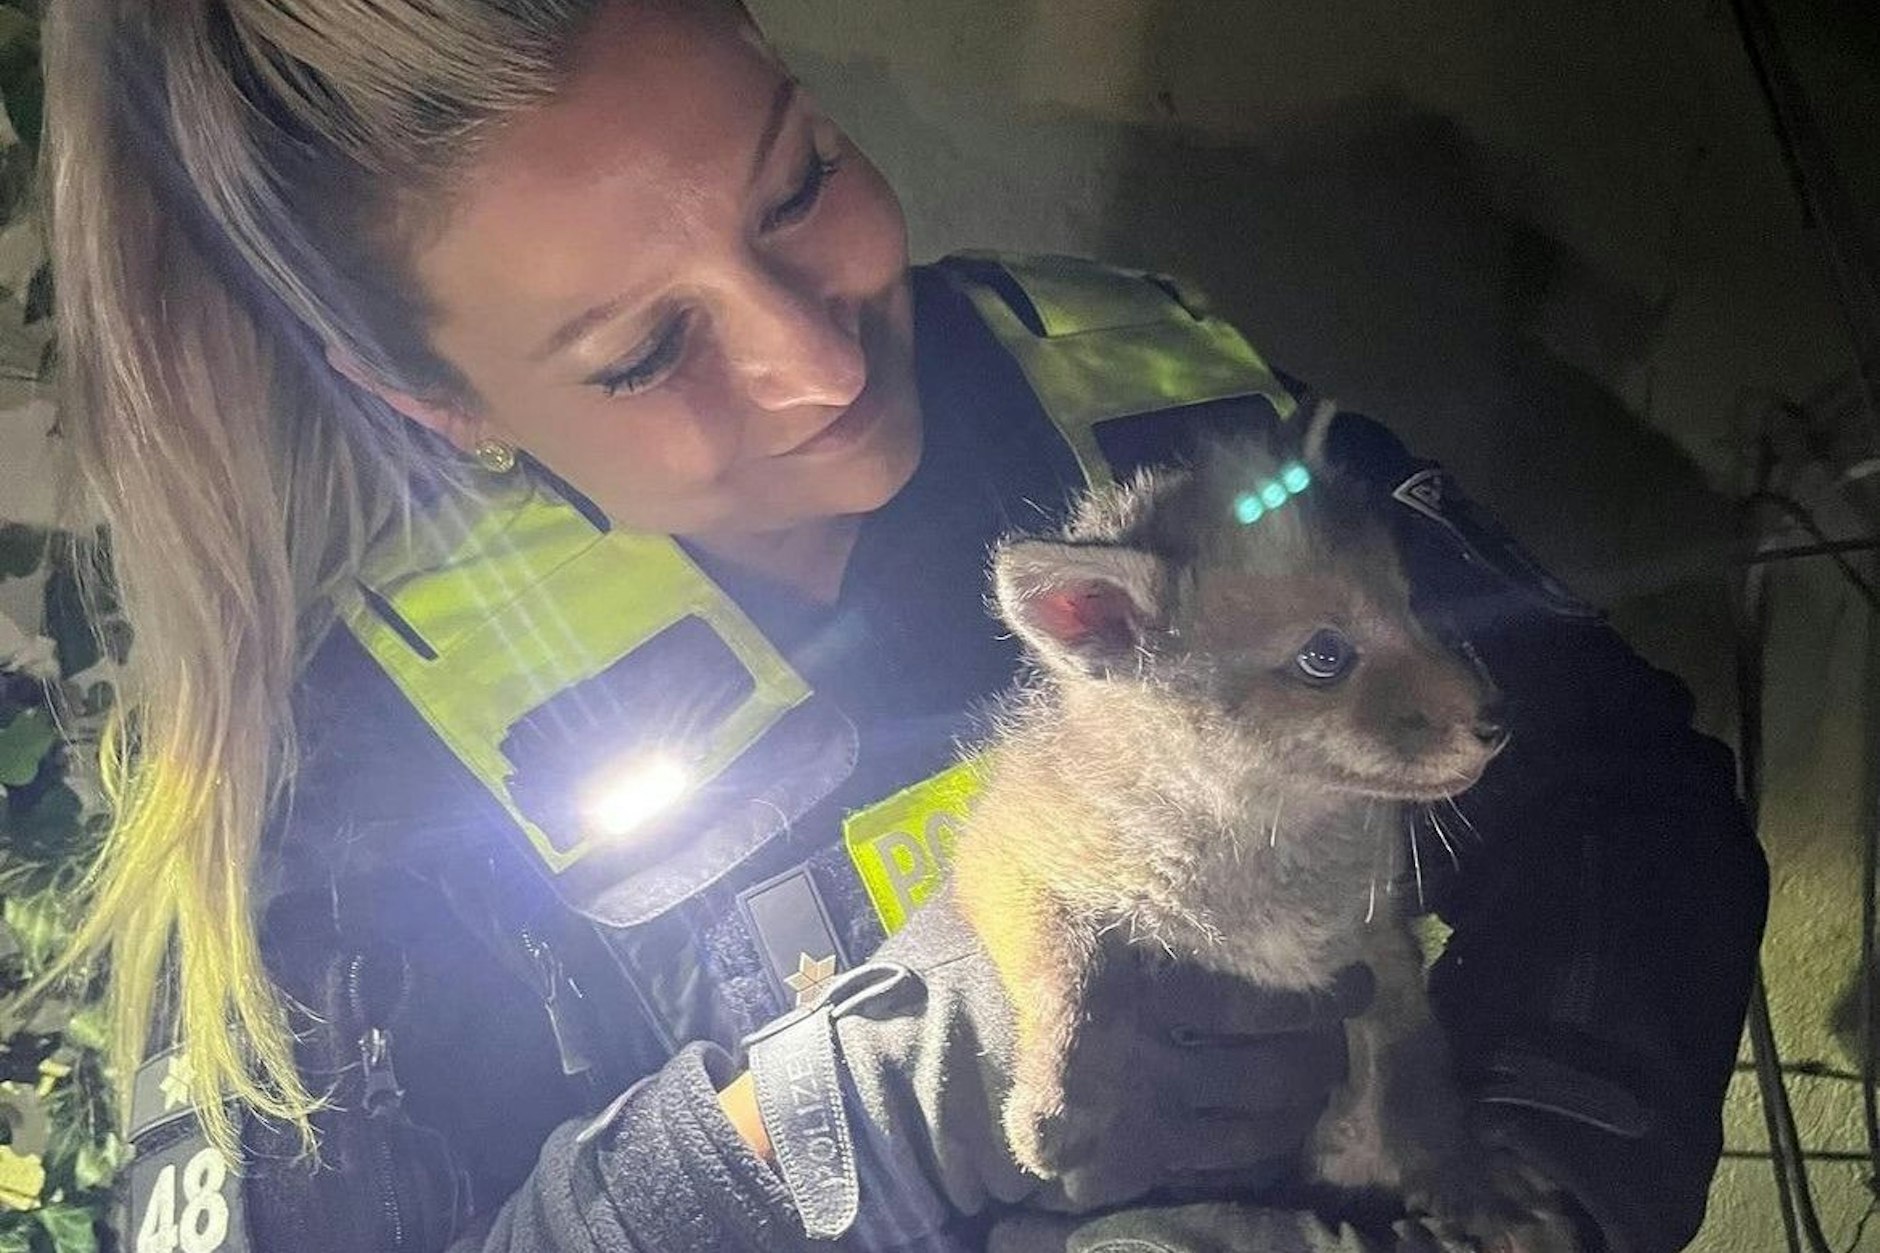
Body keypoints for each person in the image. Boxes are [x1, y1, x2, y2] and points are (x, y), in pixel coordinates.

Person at [37, 0, 1767, 1250]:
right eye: (645, 351)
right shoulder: (366, 770)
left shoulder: (1141, 395)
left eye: (797, 186)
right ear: (424, 396)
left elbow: (1616, 785)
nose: (821, 358)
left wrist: (1534, 1187)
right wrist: (837, 1123)